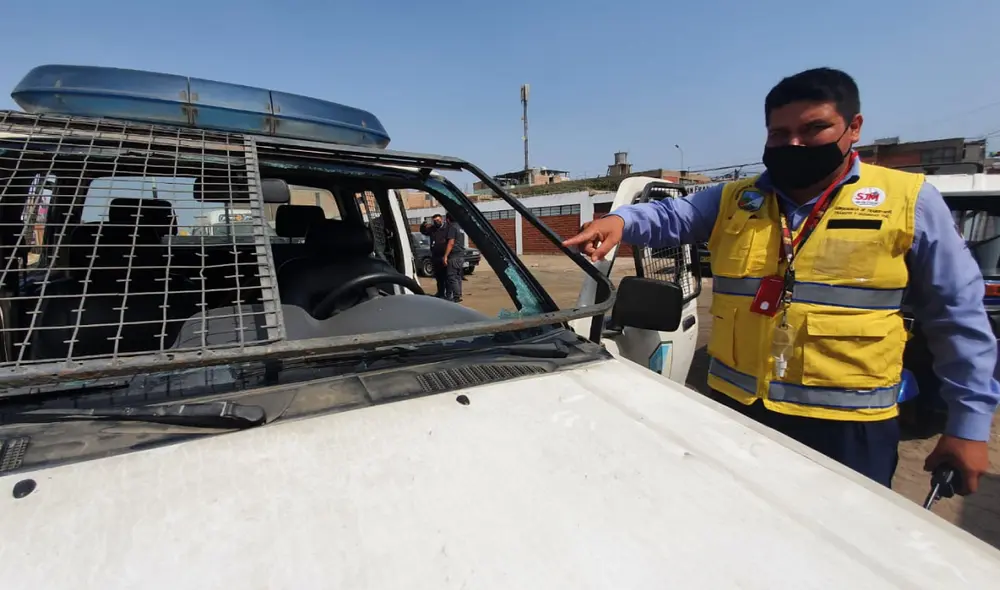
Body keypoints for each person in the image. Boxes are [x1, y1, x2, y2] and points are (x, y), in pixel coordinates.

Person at [563, 67, 999, 493]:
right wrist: (620, 221)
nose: (794, 144)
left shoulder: (908, 202)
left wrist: (968, 427)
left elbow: (957, 318)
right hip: (738, 414)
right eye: (779, 133)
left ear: (854, 128)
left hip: (848, 429)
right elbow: (671, 216)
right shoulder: (735, 198)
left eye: (813, 129)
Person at [420, 213, 464, 302]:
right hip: (435, 256)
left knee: (448, 277)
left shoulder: (448, 228)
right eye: (435, 220)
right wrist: (423, 225)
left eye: (438, 220)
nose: (436, 222)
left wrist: (446, 256)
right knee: (439, 277)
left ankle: (449, 295)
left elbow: (451, 242)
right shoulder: (432, 229)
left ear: (442, 220)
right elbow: (424, 232)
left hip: (445, 256)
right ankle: (440, 293)